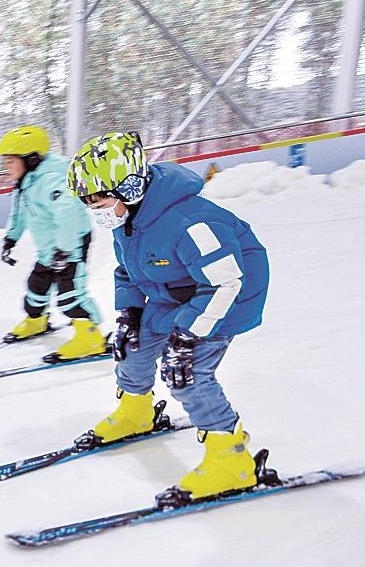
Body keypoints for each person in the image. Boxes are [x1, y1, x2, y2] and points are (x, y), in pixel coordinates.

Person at [67, 131, 270, 500]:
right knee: (132, 345)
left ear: (129, 188)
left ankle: (231, 460)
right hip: (173, 290)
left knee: (186, 372)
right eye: (88, 203)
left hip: (223, 298)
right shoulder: (128, 220)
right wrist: (129, 312)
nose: (94, 210)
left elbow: (226, 284)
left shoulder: (192, 224)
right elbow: (128, 270)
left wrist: (187, 336)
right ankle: (136, 411)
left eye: (99, 201)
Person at [0, 126, 107, 360]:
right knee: (37, 284)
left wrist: (64, 250)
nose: (6, 168)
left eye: (10, 161)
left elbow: (68, 213)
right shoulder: (26, 184)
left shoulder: (50, 180)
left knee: (69, 292)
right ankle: (36, 320)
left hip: (71, 243)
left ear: (31, 159)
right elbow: (19, 214)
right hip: (50, 247)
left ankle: (90, 337)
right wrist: (10, 239)